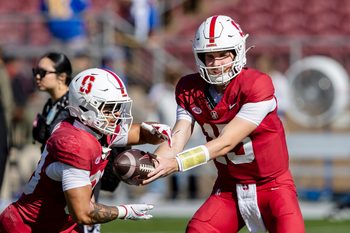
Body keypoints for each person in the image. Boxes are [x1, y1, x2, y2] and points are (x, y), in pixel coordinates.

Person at [144, 15, 305, 233]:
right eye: (209, 56)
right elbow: (178, 136)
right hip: (229, 188)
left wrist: (177, 164)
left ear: (238, 53)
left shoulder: (257, 84)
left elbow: (226, 142)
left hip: (273, 185)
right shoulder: (188, 88)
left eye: (223, 55)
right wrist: (154, 163)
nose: (216, 64)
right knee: (198, 230)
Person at [0, 68, 172, 233]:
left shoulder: (96, 128)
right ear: (84, 108)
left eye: (118, 107)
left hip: (60, 225)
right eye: (108, 108)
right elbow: (83, 213)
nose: (116, 115)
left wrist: (157, 131)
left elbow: (139, 133)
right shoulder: (74, 143)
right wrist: (125, 211)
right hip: (28, 227)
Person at [32, 52, 72, 153]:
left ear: (62, 77)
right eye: (35, 71)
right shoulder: (51, 104)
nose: (37, 76)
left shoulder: (72, 107)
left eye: (42, 72)